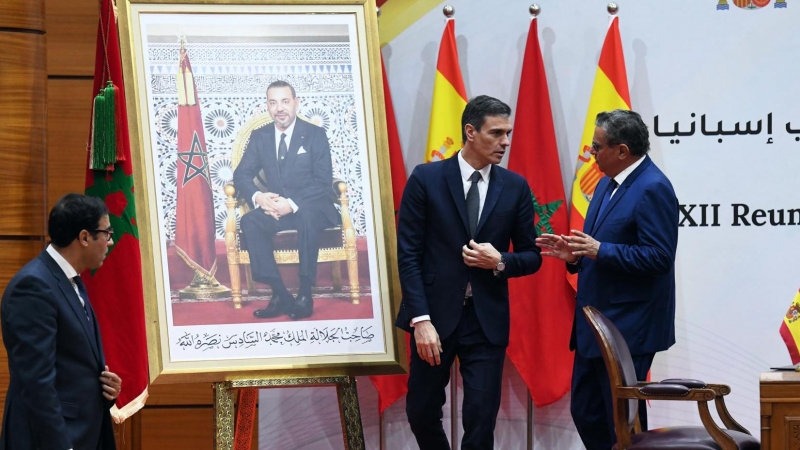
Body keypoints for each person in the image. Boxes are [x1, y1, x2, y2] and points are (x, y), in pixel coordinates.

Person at [396, 95, 542, 449]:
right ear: (470, 132)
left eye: (508, 133)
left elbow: (531, 256)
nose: (505, 142)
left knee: (481, 418)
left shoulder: (516, 186)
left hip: (485, 319)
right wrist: (421, 320)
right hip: (433, 318)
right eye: (496, 133)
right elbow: (409, 254)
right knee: (421, 411)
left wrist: (501, 262)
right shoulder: (426, 178)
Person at [536, 109, 679, 450]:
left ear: (622, 151)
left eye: (597, 146)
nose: (591, 153)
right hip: (595, 323)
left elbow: (659, 257)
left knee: (623, 421)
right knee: (586, 411)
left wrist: (600, 250)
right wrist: (576, 256)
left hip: (629, 326)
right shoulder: (604, 184)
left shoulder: (653, 187)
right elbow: (601, 248)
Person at [1, 193, 122, 449]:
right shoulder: (34, 286)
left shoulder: (72, 280)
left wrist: (104, 387)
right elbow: (36, 383)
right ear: (85, 237)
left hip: (84, 432)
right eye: (107, 234)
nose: (110, 243)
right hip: (52, 439)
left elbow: (71, 361)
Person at [233, 80, 338, 321]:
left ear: (296, 103)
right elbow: (241, 174)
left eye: (285, 101)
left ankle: (304, 293)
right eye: (273, 103)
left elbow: (323, 182)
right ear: (268, 107)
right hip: (277, 208)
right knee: (250, 222)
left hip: (313, 206)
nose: (279, 108)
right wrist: (259, 197)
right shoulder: (260, 137)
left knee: (307, 217)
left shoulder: (315, 134)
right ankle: (280, 293)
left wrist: (291, 203)